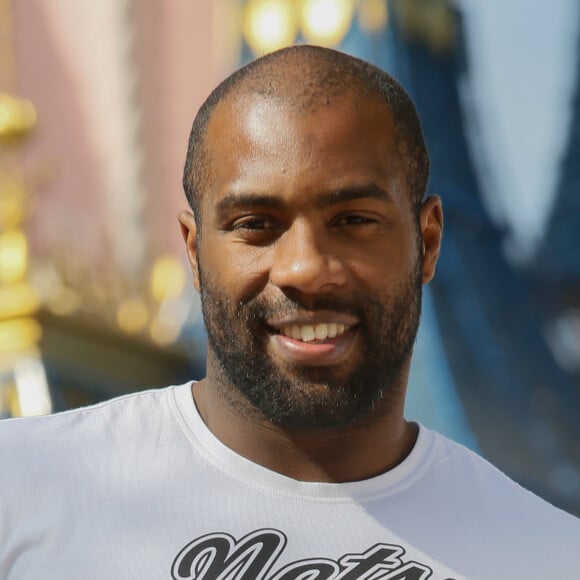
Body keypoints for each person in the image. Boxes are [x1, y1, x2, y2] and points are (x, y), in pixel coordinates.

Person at [0, 45, 578, 580]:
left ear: (427, 242)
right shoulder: (24, 491)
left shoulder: (546, 557)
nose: (304, 268)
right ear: (195, 253)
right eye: (256, 225)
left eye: (353, 220)